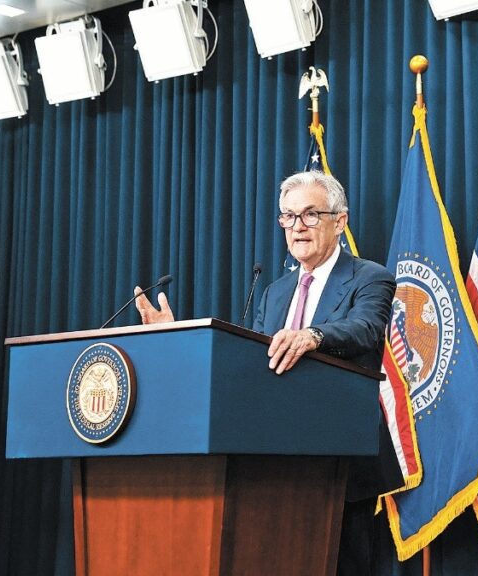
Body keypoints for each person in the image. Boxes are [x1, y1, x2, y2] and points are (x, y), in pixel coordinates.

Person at [136, 170, 402, 575]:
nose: (297, 226)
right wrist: (176, 339)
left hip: (339, 460)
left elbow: (364, 329)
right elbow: (251, 363)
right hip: (273, 463)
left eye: (310, 214)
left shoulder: (370, 277)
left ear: (340, 221)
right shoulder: (275, 292)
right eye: (288, 216)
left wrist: (313, 336)